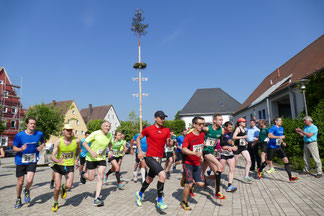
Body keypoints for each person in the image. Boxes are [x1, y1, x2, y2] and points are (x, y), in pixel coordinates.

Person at [135, 110, 172, 210]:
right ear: (155, 118)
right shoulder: (148, 129)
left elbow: (169, 143)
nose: (162, 120)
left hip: (159, 158)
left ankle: (139, 194)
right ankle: (159, 201)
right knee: (162, 175)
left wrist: (170, 143)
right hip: (150, 157)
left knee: (149, 179)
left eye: (164, 117)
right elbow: (138, 139)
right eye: (160, 117)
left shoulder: (167, 130)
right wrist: (140, 151)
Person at [12, 117, 45, 209]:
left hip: (32, 160)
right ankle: (18, 198)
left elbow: (43, 142)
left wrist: (41, 146)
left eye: (34, 123)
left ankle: (26, 190)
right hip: (20, 160)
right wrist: (21, 149)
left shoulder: (39, 134)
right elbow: (14, 148)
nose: (33, 125)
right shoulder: (19, 135)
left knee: (29, 180)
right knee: (20, 182)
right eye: (31, 123)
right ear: (26, 124)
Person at [80, 121, 112, 206]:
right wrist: (91, 151)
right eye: (106, 126)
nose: (107, 128)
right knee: (91, 178)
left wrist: (110, 151)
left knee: (101, 176)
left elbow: (110, 143)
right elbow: (84, 143)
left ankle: (97, 198)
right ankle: (83, 174)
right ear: (102, 127)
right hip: (91, 158)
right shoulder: (95, 133)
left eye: (109, 126)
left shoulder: (109, 135)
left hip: (101, 158)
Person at [50, 124, 81, 212]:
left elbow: (78, 150)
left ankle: (64, 187)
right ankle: (55, 203)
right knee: (57, 187)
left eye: (70, 130)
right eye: (67, 130)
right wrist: (57, 160)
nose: (69, 132)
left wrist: (76, 159)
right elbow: (52, 156)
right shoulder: (58, 141)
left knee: (69, 185)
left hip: (70, 165)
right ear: (63, 131)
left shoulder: (77, 140)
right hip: (59, 166)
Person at [257, 117, 298, 182]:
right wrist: (279, 137)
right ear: (276, 121)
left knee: (286, 160)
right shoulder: (272, 128)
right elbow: (270, 136)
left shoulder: (281, 128)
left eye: (281, 120)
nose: (281, 122)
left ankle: (290, 177)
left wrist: (282, 142)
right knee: (268, 161)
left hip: (278, 147)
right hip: (271, 147)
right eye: (279, 121)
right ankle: (260, 170)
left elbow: (280, 137)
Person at [181, 117, 206, 210]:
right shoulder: (189, 136)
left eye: (203, 124)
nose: (202, 126)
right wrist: (194, 153)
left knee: (201, 184)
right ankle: (184, 202)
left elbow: (201, 145)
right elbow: (183, 149)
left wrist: (201, 156)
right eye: (200, 124)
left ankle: (187, 178)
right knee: (190, 184)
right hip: (188, 163)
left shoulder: (202, 134)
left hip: (197, 163)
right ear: (194, 125)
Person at [201, 114, 226, 199]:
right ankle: (218, 192)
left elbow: (219, 143)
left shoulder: (221, 130)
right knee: (219, 166)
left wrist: (219, 149)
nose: (221, 121)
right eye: (220, 120)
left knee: (215, 174)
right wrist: (201, 141)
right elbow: (195, 132)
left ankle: (216, 193)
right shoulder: (207, 128)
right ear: (214, 120)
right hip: (205, 152)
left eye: (222, 120)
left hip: (211, 152)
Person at [233, 118, 254, 183]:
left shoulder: (244, 129)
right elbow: (234, 137)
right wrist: (243, 137)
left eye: (245, 122)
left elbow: (243, 138)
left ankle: (246, 176)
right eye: (243, 122)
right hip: (237, 147)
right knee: (234, 164)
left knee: (248, 160)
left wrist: (245, 141)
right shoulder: (238, 129)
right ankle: (231, 175)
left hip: (243, 147)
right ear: (239, 123)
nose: (245, 123)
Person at [220, 121, 238, 192]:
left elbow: (231, 142)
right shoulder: (222, 134)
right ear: (225, 127)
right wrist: (227, 146)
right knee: (221, 170)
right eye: (229, 127)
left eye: (231, 127)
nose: (231, 128)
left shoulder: (231, 133)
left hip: (230, 154)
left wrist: (234, 146)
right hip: (222, 154)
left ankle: (229, 185)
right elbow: (220, 144)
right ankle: (206, 177)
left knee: (232, 169)